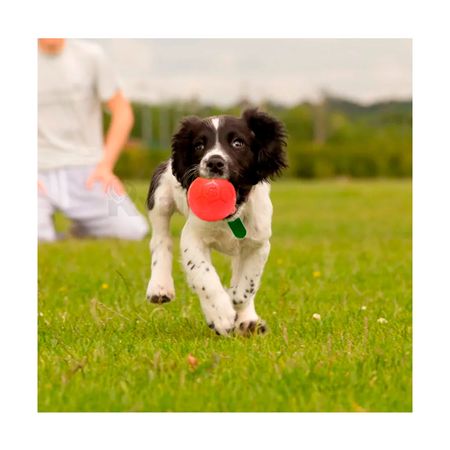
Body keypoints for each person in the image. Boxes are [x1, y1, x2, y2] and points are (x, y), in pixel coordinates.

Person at [38, 38, 149, 241]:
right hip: (37, 172)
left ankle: (79, 230)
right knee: (38, 238)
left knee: (132, 231)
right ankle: (47, 229)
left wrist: (105, 166)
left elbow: (122, 111)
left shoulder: (91, 56)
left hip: (88, 170)